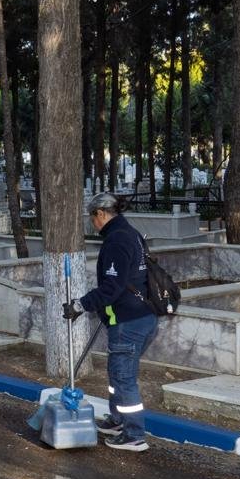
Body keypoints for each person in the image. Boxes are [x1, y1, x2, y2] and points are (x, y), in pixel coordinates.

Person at [63, 193, 157, 452]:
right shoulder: (131, 234)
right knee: (118, 373)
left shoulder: (117, 240)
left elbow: (112, 286)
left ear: (101, 214)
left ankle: (134, 434)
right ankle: (118, 421)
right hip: (140, 316)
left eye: (92, 218)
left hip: (130, 321)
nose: (92, 223)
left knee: (124, 378)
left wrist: (80, 305)